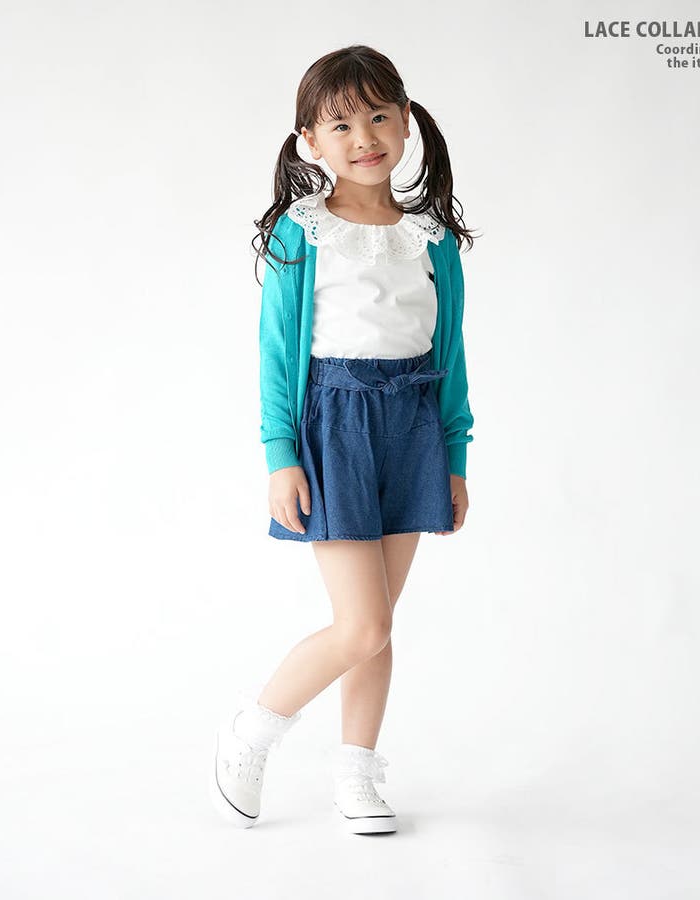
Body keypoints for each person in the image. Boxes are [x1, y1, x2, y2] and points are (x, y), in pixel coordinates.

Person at [210, 44, 477, 835]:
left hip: (413, 426)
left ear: (405, 121)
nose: (364, 137)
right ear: (309, 141)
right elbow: (276, 354)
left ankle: (357, 772)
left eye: (378, 117)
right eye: (341, 125)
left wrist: (455, 456)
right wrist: (280, 456)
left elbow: (452, 354)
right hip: (335, 425)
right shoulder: (304, 233)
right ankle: (253, 729)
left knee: (379, 621)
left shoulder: (431, 238)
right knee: (362, 625)